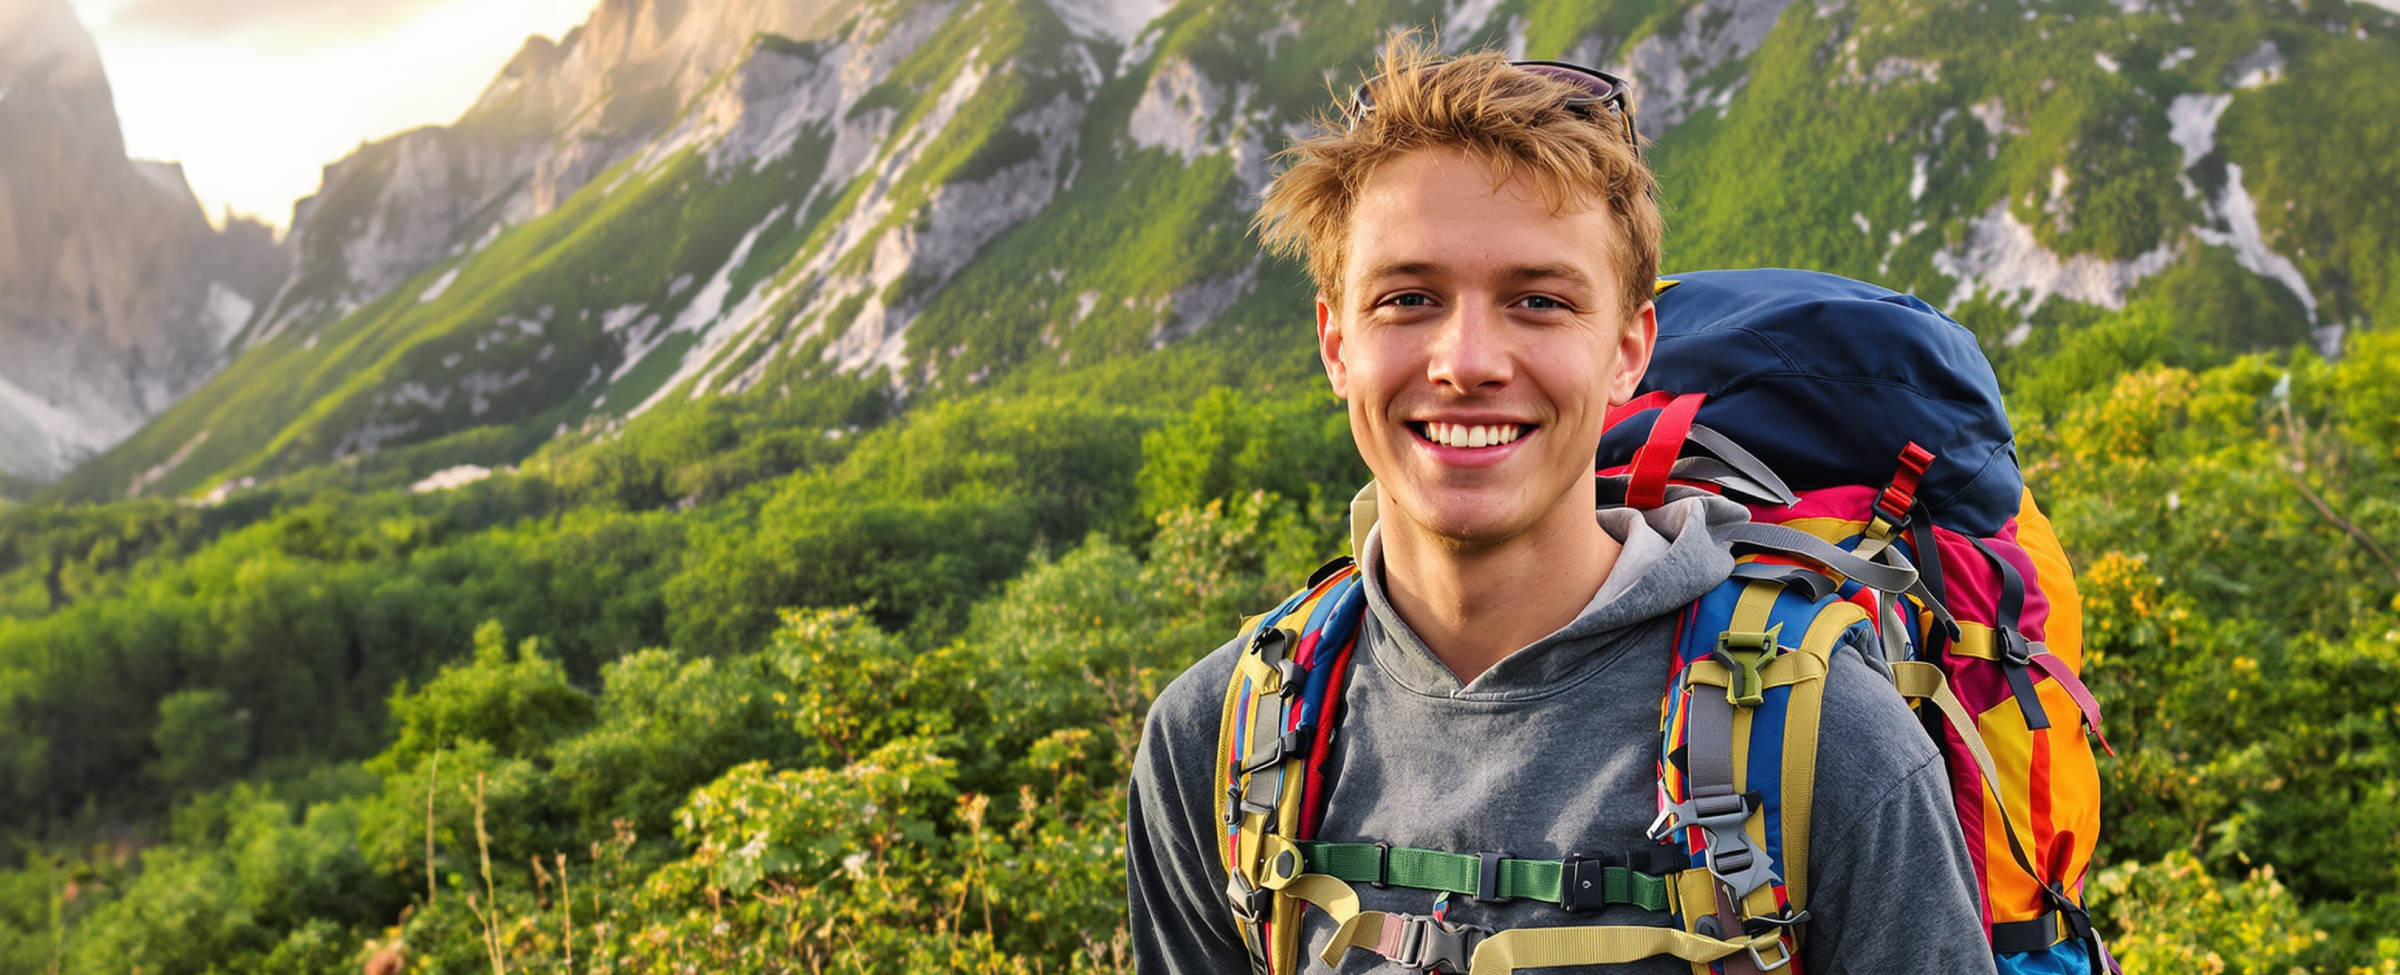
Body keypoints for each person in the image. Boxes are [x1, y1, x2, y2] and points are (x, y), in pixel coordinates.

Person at [1124, 35, 1996, 974]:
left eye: (1538, 301)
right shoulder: (1216, 737)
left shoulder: (1829, 741)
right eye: (1409, 297)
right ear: (1337, 343)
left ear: (1629, 348)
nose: (1467, 361)